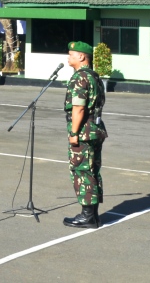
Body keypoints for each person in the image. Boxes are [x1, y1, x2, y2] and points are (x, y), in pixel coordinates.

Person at [61, 41, 107, 229]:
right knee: (92, 170)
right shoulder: (94, 76)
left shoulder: (80, 78)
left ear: (82, 57)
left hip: (84, 132)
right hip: (95, 130)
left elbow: (78, 108)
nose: (68, 57)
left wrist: (74, 133)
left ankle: (87, 216)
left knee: (82, 172)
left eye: (71, 54)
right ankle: (93, 215)